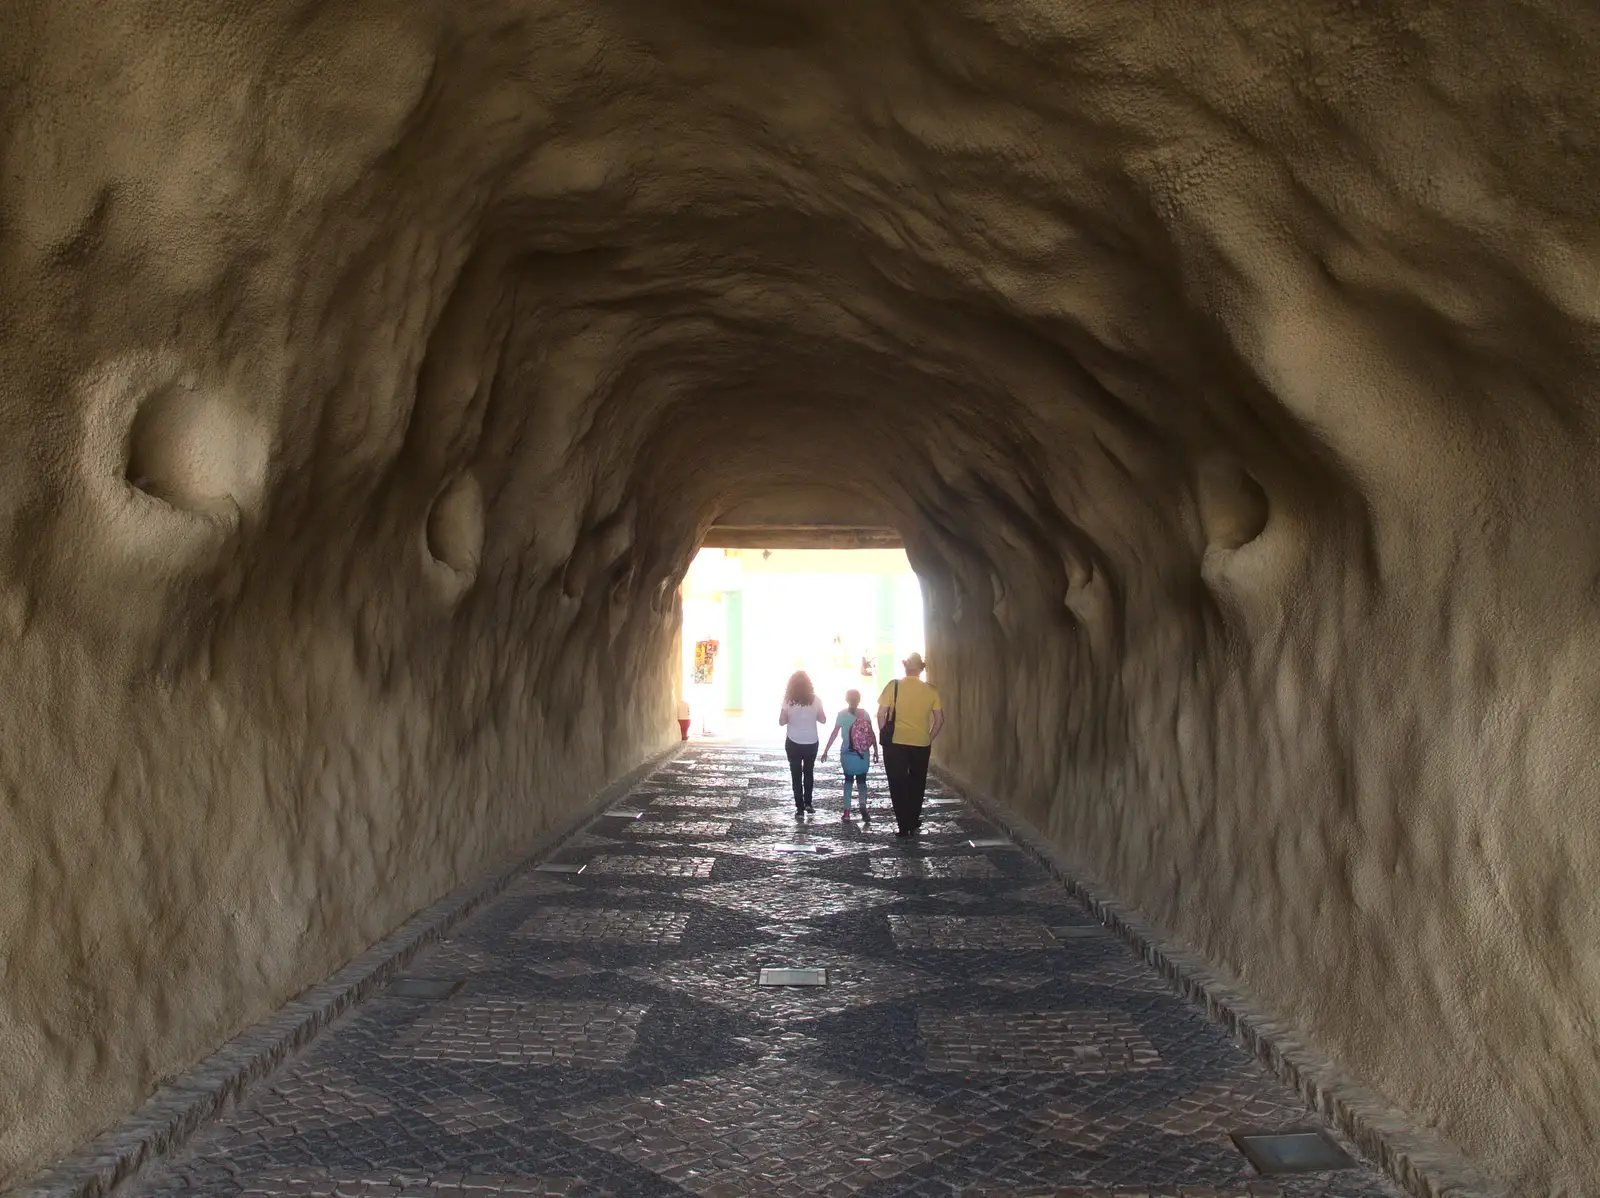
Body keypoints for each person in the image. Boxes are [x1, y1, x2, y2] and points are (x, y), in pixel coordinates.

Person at [876, 652, 944, 837]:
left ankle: (903, 824)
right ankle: (913, 820)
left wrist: (885, 734)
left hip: (896, 742)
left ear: (905, 667)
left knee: (897, 783)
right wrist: (929, 737)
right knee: (917, 782)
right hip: (921, 743)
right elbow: (939, 720)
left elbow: (881, 713)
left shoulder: (894, 685)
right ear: (921, 669)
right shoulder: (931, 690)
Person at [821, 689, 879, 822]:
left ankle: (846, 812)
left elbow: (834, 733)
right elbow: (871, 733)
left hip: (847, 752)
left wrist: (826, 751)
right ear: (859, 700)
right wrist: (875, 750)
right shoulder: (865, 714)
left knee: (848, 781)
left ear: (846, 700)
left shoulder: (841, 714)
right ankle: (863, 806)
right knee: (862, 781)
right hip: (863, 753)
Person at [778, 670, 827, 816]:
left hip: (793, 741)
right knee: (809, 772)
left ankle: (799, 807)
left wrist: (792, 718)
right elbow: (823, 719)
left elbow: (781, 721)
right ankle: (808, 803)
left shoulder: (788, 700)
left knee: (796, 774)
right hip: (811, 741)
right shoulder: (816, 700)